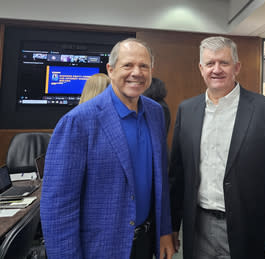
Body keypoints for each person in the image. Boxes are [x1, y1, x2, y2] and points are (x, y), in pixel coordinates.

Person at [40, 38, 175, 259]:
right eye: (128, 65)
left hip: (145, 243)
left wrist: (164, 231)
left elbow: (159, 182)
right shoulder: (78, 122)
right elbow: (57, 206)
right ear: (110, 70)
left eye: (144, 66)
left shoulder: (155, 113)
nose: (137, 72)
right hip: (99, 249)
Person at [169, 36, 265, 259]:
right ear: (200, 68)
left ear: (237, 67)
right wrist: (172, 226)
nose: (216, 69)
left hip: (247, 225)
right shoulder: (187, 110)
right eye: (210, 63)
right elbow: (177, 175)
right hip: (198, 226)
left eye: (224, 63)